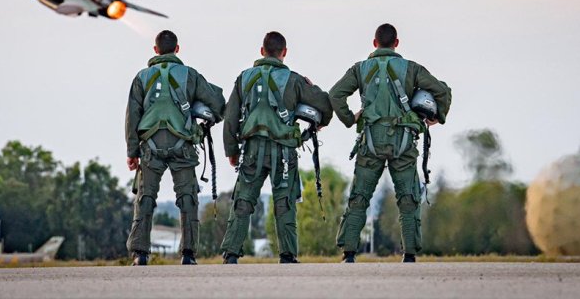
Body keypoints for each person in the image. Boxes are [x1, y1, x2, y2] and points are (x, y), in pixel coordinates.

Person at [330, 23, 451, 263]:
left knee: (359, 197)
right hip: (404, 142)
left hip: (371, 142)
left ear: (374, 43)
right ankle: (409, 254)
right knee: (408, 198)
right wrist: (438, 117)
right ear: (397, 43)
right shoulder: (412, 69)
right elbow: (442, 91)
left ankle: (349, 253)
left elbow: (335, 94)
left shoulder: (360, 69)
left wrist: (349, 118)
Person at [220, 31, 333, 264]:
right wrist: (319, 124)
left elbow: (230, 119)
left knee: (243, 201)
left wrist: (231, 151)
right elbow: (325, 105)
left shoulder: (244, 78)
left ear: (262, 51)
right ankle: (288, 255)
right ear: (284, 53)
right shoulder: (294, 80)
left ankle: (231, 254)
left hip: (251, 150)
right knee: (285, 202)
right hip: (283, 153)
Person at [125, 30, 226, 266]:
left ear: (155, 50)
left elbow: (132, 117)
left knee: (145, 198)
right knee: (188, 198)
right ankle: (188, 255)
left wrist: (132, 153)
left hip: (149, 147)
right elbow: (218, 104)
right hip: (183, 147)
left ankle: (140, 254)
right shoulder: (190, 76)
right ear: (177, 49)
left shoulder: (141, 77)